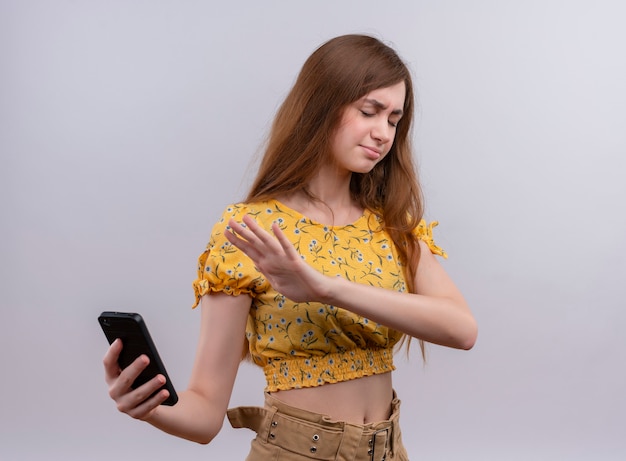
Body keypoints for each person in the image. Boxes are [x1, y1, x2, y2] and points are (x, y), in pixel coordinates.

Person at [103, 34, 477, 460]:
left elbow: (462, 329)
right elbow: (205, 414)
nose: (383, 133)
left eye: (393, 119)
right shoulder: (250, 231)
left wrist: (324, 287)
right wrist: (149, 405)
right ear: (321, 106)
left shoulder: (392, 226)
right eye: (369, 111)